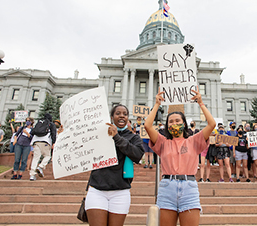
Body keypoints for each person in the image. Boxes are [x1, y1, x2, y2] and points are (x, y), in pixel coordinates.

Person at [145, 87, 216, 226]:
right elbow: (148, 125)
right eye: (170, 121)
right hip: (167, 187)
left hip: (189, 187)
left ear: (184, 124)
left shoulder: (194, 141)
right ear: (167, 126)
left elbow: (212, 124)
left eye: (177, 120)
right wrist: (157, 104)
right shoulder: (162, 142)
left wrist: (201, 103)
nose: (174, 123)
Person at [85, 104, 144, 226]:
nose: (122, 116)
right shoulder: (100, 134)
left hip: (120, 191)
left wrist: (116, 137)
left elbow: (137, 155)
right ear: (112, 117)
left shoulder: (133, 137)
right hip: (97, 189)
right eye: (118, 113)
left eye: (125, 114)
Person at [29, 113, 57, 181]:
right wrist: (53, 142)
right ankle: (41, 166)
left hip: (36, 142)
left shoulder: (39, 123)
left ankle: (32, 175)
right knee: (47, 156)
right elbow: (54, 133)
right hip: (45, 141)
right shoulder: (51, 124)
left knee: (36, 158)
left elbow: (32, 132)